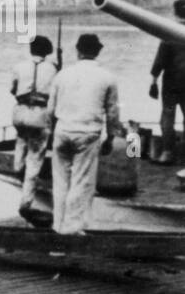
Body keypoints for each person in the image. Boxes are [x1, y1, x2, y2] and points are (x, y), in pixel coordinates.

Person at [46, 33, 125, 235]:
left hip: (62, 131)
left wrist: (50, 133)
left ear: (78, 50)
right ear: (98, 51)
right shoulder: (108, 77)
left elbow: (50, 110)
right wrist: (111, 137)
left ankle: (58, 224)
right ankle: (72, 228)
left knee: (60, 181)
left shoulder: (62, 75)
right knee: (81, 182)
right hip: (88, 133)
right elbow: (113, 113)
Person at [9, 35, 58, 225]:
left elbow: (12, 89)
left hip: (20, 112)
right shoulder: (52, 69)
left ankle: (16, 169)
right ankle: (26, 203)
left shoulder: (19, 66)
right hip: (39, 114)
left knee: (21, 141)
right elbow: (55, 93)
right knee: (35, 161)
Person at [148, 0, 185, 165]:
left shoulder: (168, 32)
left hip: (171, 84)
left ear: (174, 12)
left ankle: (167, 152)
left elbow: (160, 60)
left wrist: (153, 81)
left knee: (168, 117)